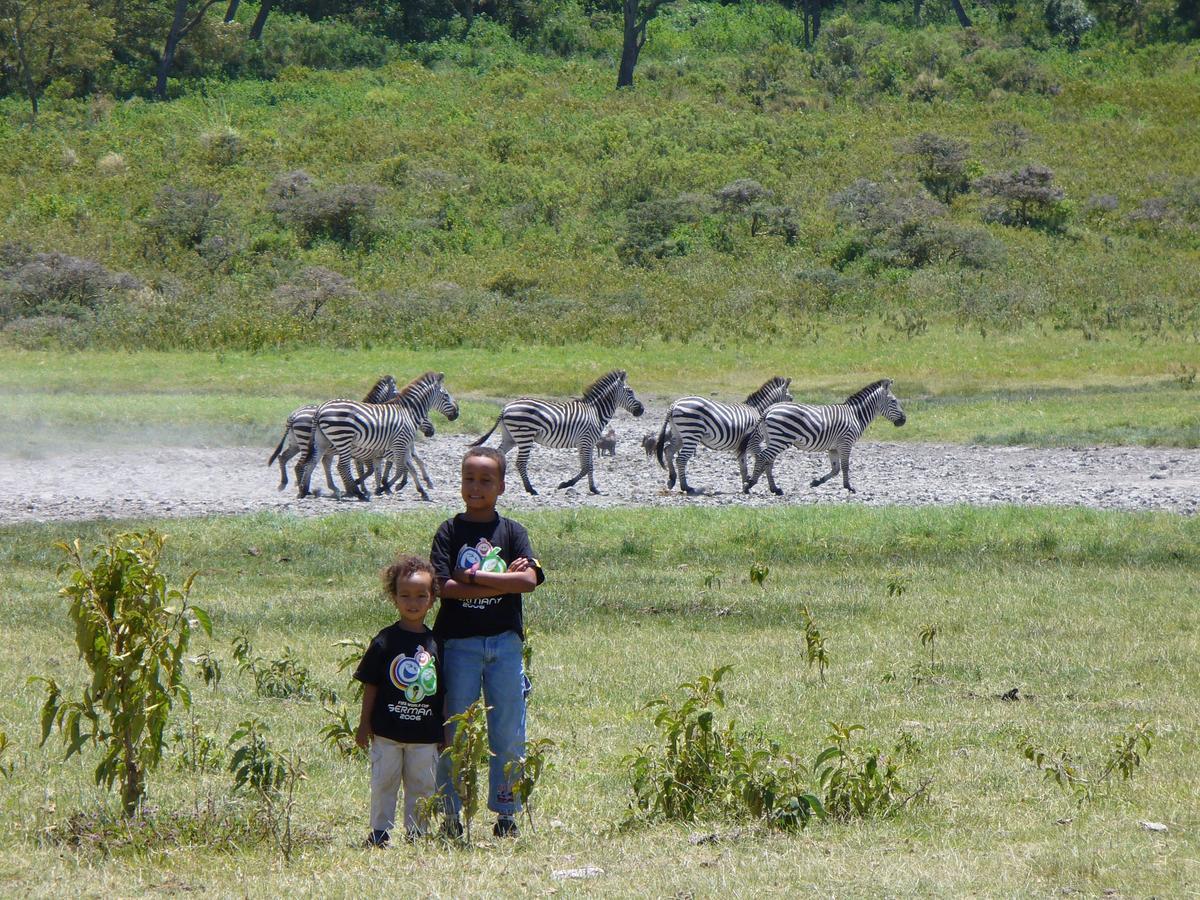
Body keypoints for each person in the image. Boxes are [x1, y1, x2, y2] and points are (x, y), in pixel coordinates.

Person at [431, 446, 544, 838]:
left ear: (501, 486)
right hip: (457, 644)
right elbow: (443, 588)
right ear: (460, 482)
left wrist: (475, 578)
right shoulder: (448, 530)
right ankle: (450, 814)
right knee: (453, 729)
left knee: (509, 727)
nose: (475, 487)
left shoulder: (513, 531)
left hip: (505, 643)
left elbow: (529, 581)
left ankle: (507, 813)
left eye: (485, 481)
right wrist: (501, 581)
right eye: (469, 479)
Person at [354, 553, 444, 846]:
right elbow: (371, 685)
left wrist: (444, 731)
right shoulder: (385, 641)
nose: (413, 602)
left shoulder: (436, 644)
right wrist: (364, 725)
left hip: (424, 736)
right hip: (387, 733)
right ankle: (380, 832)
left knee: (423, 785)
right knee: (384, 783)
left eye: (421, 595)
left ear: (432, 599)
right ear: (394, 597)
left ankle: (418, 833)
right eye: (405, 595)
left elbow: (441, 691)